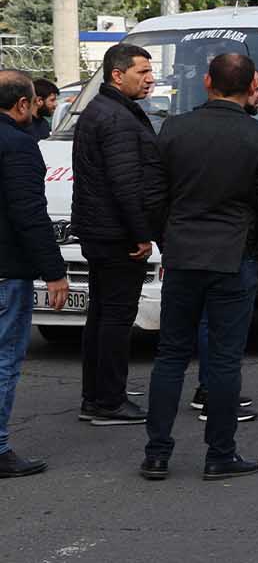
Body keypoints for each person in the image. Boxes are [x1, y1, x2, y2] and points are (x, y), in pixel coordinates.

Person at [140, 54, 258, 481]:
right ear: (249, 87)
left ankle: (157, 452)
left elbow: (152, 196)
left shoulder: (174, 129)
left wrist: (167, 237)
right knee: (223, 360)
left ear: (207, 82)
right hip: (233, 255)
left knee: (169, 356)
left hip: (183, 253)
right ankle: (220, 453)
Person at [71, 43, 163, 427]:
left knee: (102, 313)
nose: (150, 78)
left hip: (101, 229)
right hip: (116, 233)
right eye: (142, 72)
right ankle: (108, 400)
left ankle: (97, 394)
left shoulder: (103, 109)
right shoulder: (118, 118)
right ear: (117, 75)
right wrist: (141, 235)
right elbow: (126, 185)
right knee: (116, 316)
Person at [0, 71, 68, 477]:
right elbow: (29, 215)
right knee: (5, 358)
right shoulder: (19, 146)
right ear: (24, 105)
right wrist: (55, 273)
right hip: (7, 272)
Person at [190, 73, 258, 422]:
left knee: (190, 337)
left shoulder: (178, 128)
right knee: (227, 331)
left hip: (187, 247)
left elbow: (158, 193)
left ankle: (206, 392)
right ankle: (217, 402)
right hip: (235, 248)